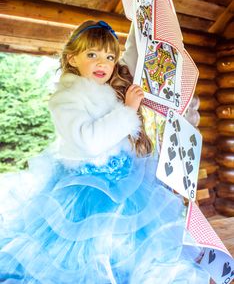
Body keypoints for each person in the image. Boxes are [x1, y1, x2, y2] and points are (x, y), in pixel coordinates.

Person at [0, 18, 210, 284]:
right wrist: (128, 110)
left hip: (126, 181)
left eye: (109, 56)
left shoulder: (110, 86)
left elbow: (134, 54)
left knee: (136, 250)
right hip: (87, 190)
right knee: (91, 257)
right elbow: (90, 141)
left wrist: (143, 7)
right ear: (72, 58)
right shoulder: (66, 99)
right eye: (92, 54)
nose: (103, 63)